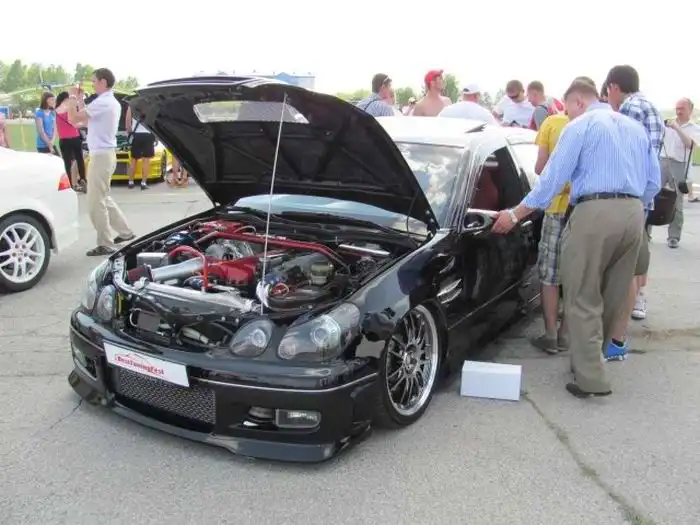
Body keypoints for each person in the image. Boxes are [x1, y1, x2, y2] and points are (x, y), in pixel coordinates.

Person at [491, 80, 660, 398]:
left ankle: (591, 379)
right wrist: (632, 207)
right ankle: (591, 360)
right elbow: (654, 181)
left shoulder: (580, 126)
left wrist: (514, 215)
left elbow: (551, 180)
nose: (565, 115)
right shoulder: (634, 128)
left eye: (567, 109)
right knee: (613, 293)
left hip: (593, 212)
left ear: (578, 102)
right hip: (634, 212)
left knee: (582, 295)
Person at [603, 65, 664, 358]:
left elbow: (620, 158)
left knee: (621, 269)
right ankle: (626, 323)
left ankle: (615, 337)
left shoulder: (628, 110)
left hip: (627, 200)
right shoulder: (651, 108)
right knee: (635, 263)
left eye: (608, 93)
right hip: (642, 200)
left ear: (614, 87)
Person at [67, 68, 135, 256]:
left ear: (103, 82)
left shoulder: (104, 102)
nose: (93, 85)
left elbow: (73, 118)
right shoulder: (109, 102)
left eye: (94, 81)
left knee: (95, 202)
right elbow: (85, 120)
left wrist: (72, 98)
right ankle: (125, 232)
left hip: (101, 156)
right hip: (105, 154)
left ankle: (106, 243)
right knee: (103, 197)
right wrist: (79, 100)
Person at [529, 110, 571, 355]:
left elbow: (539, 168)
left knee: (550, 274)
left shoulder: (552, 123)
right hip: (583, 209)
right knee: (577, 276)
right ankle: (566, 335)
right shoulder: (598, 127)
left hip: (556, 208)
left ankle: (550, 335)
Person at [659, 98, 700, 245]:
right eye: (677, 108)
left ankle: (673, 236)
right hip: (663, 160)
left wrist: (677, 128)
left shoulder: (694, 128)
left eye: (682, 108)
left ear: (690, 110)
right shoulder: (667, 123)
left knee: (677, 201)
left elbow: (690, 145)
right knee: (653, 195)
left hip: (679, 164)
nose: (678, 111)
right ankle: (646, 231)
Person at [55, 91, 87, 192]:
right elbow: (76, 120)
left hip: (64, 139)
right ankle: (83, 179)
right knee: (80, 159)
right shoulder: (70, 108)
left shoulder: (56, 110)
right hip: (75, 137)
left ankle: (68, 184)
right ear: (66, 99)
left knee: (67, 162)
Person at [124, 105, 154, 190]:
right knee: (146, 160)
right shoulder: (151, 105)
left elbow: (128, 121)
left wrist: (130, 132)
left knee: (133, 159)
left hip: (136, 134)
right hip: (148, 134)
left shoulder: (132, 105)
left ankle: (130, 182)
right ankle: (143, 183)